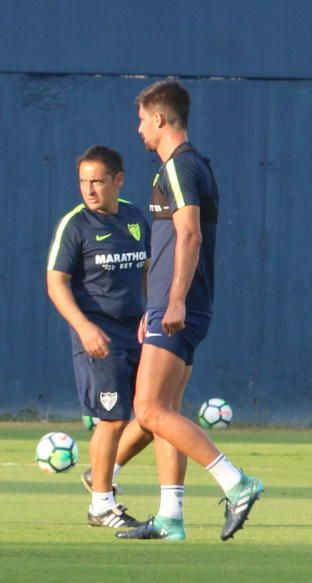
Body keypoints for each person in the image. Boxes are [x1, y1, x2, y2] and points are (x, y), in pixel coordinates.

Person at [117, 79, 263, 541]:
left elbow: (191, 235)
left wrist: (173, 300)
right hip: (172, 305)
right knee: (166, 410)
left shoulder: (181, 167)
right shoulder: (188, 165)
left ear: (160, 119)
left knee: (149, 409)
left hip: (180, 306)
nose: (139, 128)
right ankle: (170, 516)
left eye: (142, 119)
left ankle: (237, 484)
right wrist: (156, 304)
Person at [46, 145, 153, 528]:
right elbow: (56, 282)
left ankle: (102, 475)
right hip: (98, 336)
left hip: (137, 332)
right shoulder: (75, 225)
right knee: (110, 420)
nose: (89, 190)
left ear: (118, 180)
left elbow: (146, 268)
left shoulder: (136, 218)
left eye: (97, 181)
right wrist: (84, 327)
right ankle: (101, 506)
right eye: (83, 182)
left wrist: (150, 312)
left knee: (155, 415)